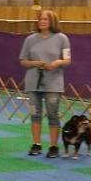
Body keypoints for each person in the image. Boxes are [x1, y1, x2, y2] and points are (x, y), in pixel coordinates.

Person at [18, 9, 70, 159]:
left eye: (45, 19)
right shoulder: (30, 39)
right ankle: (36, 144)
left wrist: (57, 63)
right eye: (40, 19)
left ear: (52, 21)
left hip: (53, 82)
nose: (42, 21)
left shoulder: (62, 38)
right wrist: (35, 63)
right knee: (35, 114)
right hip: (33, 82)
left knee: (53, 114)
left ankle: (53, 146)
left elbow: (67, 60)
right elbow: (23, 61)